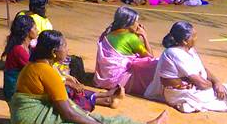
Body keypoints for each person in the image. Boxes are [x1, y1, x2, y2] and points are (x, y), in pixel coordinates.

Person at [9, 30, 169, 124]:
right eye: (64, 46)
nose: (67, 49)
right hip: (30, 118)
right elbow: (68, 113)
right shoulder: (47, 71)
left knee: (92, 117)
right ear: (53, 52)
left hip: (23, 115)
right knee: (97, 120)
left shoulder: (37, 65)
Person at [94, 7, 158, 97]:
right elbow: (150, 57)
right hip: (118, 80)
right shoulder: (131, 37)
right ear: (129, 22)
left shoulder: (108, 33)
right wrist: (144, 36)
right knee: (155, 63)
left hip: (104, 79)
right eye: (136, 21)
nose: (138, 24)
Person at [3, 14, 38, 100]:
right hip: (14, 91)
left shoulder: (27, 46)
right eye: (34, 28)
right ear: (27, 31)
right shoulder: (19, 50)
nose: (38, 30)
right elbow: (35, 71)